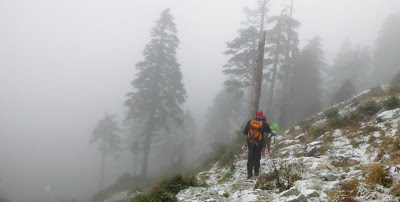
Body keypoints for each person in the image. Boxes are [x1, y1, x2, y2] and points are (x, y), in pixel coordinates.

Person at [243, 110, 272, 179]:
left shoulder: (250, 122)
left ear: (256, 115)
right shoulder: (263, 123)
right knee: (257, 156)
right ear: (262, 116)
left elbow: (244, 132)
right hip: (259, 142)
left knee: (250, 156)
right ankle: (256, 172)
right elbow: (269, 132)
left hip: (251, 142)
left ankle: (249, 173)